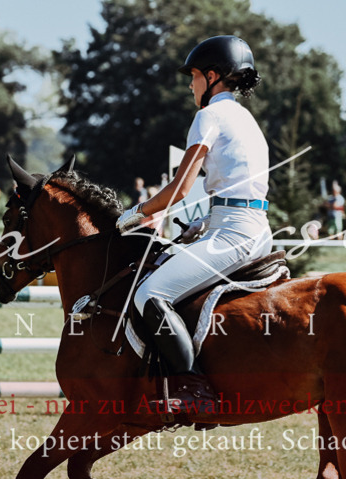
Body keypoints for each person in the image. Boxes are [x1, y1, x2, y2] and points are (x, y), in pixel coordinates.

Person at [116, 35, 269, 415]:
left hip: (234, 233)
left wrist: (131, 216)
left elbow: (179, 190)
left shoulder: (209, 116)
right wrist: (202, 223)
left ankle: (193, 388)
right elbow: (241, 187)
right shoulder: (246, 119)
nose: (191, 84)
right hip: (250, 226)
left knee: (149, 295)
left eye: (196, 76)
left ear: (214, 76)